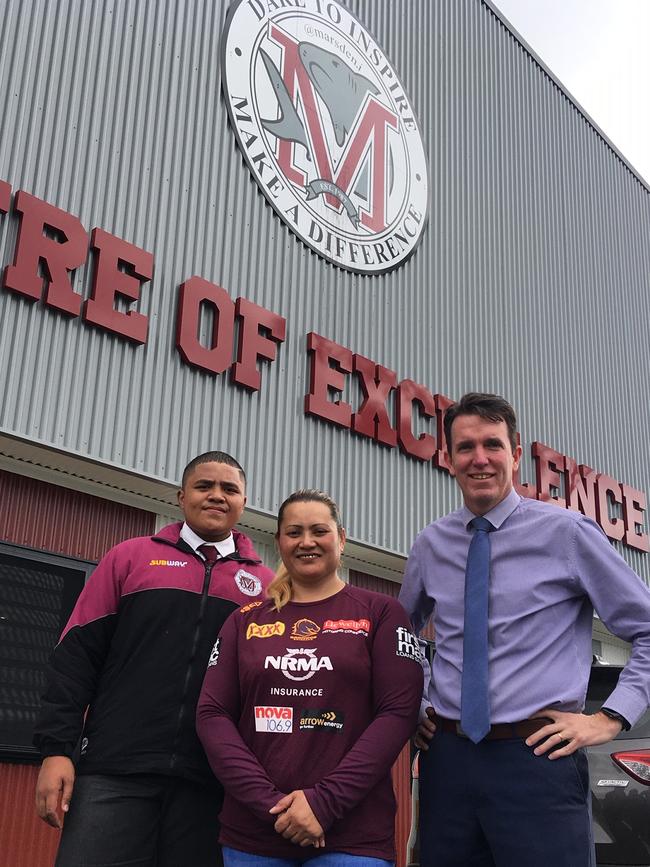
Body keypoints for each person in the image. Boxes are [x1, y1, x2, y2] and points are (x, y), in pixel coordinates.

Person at [398, 392, 650, 867]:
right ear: (448, 458)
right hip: (447, 760)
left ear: (515, 454)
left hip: (538, 760)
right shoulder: (431, 544)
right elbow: (401, 635)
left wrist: (611, 717)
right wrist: (418, 704)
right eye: (465, 447)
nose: (479, 459)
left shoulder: (568, 533)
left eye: (492, 445)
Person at [33, 450, 274, 867]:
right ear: (181, 496)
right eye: (204, 486)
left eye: (229, 488)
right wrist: (56, 750)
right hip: (114, 771)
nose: (217, 495)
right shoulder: (130, 559)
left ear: (243, 502)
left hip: (211, 784)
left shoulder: (268, 587)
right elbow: (75, 657)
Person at [196, 489, 423, 867]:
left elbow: (397, 714)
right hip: (253, 834)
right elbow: (212, 715)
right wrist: (270, 804)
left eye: (319, 531)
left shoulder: (382, 613)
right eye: (294, 532)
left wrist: (324, 802)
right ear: (279, 541)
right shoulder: (245, 620)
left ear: (342, 539)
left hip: (352, 837)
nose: (307, 542)